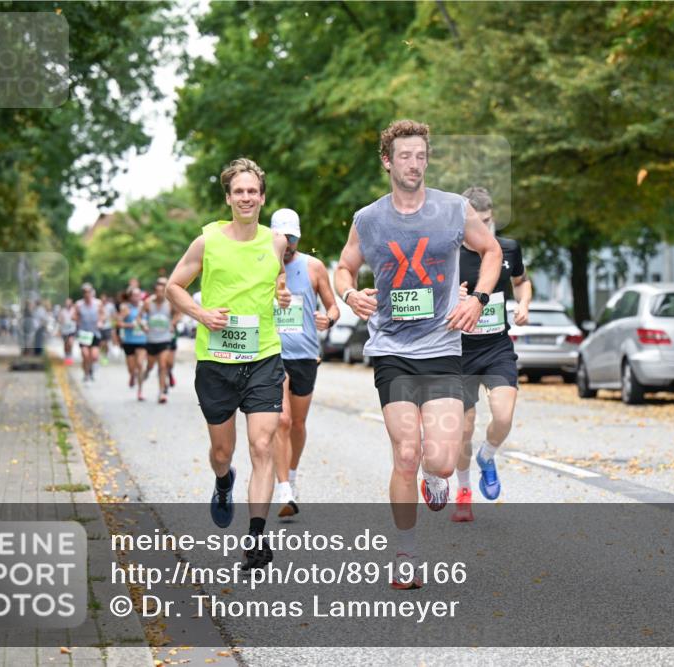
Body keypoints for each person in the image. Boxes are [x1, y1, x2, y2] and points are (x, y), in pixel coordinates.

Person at [334, 120, 501, 588]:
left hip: (444, 349)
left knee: (442, 460)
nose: (414, 164)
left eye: (421, 156)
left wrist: (478, 299)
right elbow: (344, 268)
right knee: (406, 453)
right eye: (405, 156)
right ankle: (406, 553)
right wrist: (350, 296)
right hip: (392, 350)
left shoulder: (453, 209)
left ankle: (438, 478)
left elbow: (490, 252)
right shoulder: (369, 219)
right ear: (388, 161)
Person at [166, 157, 292, 570]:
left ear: (262, 197)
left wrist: (282, 296)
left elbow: (275, 283)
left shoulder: (276, 242)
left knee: (262, 445)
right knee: (223, 451)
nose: (246, 197)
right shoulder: (208, 241)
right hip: (216, 360)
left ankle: (256, 540)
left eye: (252, 191)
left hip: (263, 356)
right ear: (228, 197)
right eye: (239, 191)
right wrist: (201, 314)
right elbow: (174, 286)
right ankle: (223, 482)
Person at [450, 186, 532, 522]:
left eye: (487, 221)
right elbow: (431, 296)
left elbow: (522, 281)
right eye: (475, 222)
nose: (482, 229)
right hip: (459, 351)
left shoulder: (507, 249)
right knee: (464, 429)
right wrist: (452, 296)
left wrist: (524, 303)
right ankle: (465, 490)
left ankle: (487, 456)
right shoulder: (449, 253)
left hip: (497, 347)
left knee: (503, 415)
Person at [269, 208, 340, 518]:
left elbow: (333, 306)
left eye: (293, 239)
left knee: (297, 423)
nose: (288, 245)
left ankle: (292, 475)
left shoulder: (314, 267)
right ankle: (283, 488)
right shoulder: (260, 267)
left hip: (306, 356)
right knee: (281, 421)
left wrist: (329, 319)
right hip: (271, 355)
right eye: (283, 239)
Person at [142, 277, 176, 404]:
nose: (160, 294)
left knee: (162, 365)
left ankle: (161, 392)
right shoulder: (148, 303)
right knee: (151, 365)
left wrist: (173, 323)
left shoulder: (170, 303)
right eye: (158, 291)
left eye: (162, 291)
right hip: (151, 339)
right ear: (154, 292)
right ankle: (147, 371)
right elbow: (140, 317)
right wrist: (144, 325)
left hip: (165, 338)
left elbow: (179, 313)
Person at [119, 286, 149, 401]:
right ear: (130, 297)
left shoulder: (145, 307)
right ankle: (132, 375)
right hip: (129, 341)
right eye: (134, 295)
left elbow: (150, 319)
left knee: (140, 365)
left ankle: (140, 391)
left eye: (138, 295)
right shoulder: (126, 308)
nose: (137, 297)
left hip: (142, 341)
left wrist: (147, 327)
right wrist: (129, 325)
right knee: (132, 368)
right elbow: (119, 323)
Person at [73, 283, 104, 383]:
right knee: (85, 355)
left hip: (95, 332)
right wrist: (76, 320)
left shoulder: (98, 303)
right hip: (84, 333)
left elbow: (103, 314)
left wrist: (100, 322)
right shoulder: (79, 304)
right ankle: (86, 374)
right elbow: (74, 316)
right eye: (85, 292)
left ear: (92, 292)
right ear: (83, 294)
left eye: (89, 292)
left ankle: (91, 369)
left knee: (94, 356)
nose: (87, 294)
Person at [57, 298, 76, 365]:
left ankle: (70, 356)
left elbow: (77, 317)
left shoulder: (74, 310)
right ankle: (66, 356)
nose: (68, 304)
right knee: (66, 344)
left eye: (69, 302)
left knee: (70, 343)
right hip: (64, 330)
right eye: (66, 302)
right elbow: (59, 320)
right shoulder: (62, 311)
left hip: (72, 330)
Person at [99, 292, 117, 364]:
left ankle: (105, 356)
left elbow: (114, 316)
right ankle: (103, 354)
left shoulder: (111, 306)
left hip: (108, 327)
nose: (103, 300)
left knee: (106, 343)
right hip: (100, 327)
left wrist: (114, 326)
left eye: (104, 298)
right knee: (101, 343)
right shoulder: (98, 305)